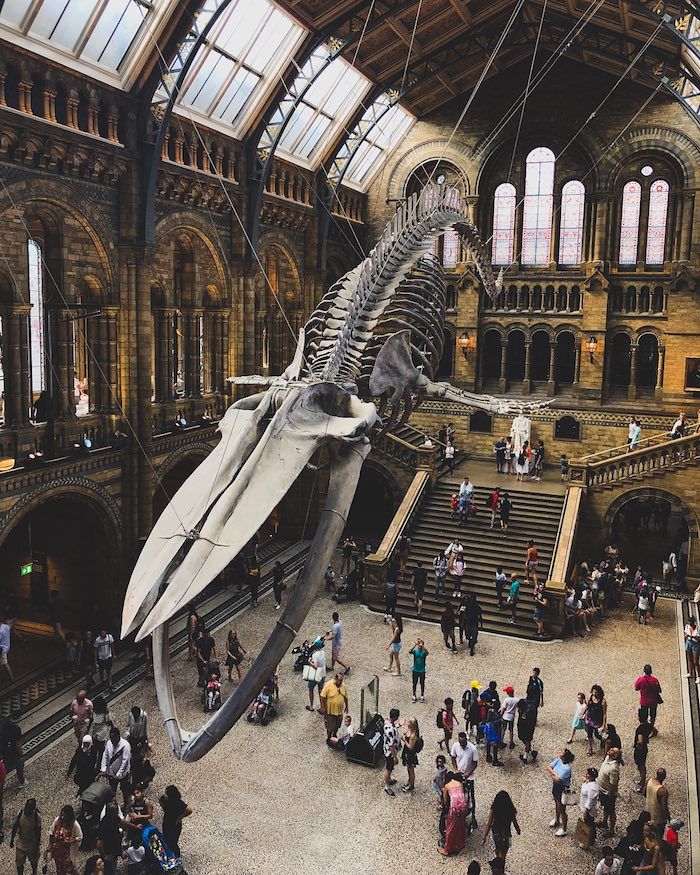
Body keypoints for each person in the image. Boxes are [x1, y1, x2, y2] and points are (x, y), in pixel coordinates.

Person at [482, 790, 520, 866]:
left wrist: (484, 836)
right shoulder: (510, 809)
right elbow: (514, 821)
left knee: (498, 847)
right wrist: (518, 830)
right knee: (504, 852)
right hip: (506, 833)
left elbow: (489, 824)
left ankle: (498, 862)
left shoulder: (494, 809)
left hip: (496, 832)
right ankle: (501, 866)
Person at [46, 805, 82, 875]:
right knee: (59, 868)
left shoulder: (74, 824)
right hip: (57, 851)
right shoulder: (57, 821)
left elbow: (80, 837)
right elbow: (51, 833)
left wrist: (70, 840)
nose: (62, 817)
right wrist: (49, 846)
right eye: (62, 815)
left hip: (67, 853)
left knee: (70, 869)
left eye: (65, 816)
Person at [547, 748, 575, 837]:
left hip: (562, 789)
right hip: (556, 787)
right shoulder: (559, 760)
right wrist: (555, 774)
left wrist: (553, 774)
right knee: (557, 804)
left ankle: (564, 828)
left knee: (562, 809)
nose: (560, 752)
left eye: (562, 752)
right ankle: (557, 820)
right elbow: (549, 767)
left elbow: (559, 780)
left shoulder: (567, 769)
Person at [10, 797, 41, 875]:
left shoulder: (37, 817)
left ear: (33, 809)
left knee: (33, 862)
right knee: (19, 864)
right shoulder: (20, 813)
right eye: (26, 807)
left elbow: (38, 833)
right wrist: (12, 840)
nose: (27, 810)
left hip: (32, 845)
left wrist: (37, 847)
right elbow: (15, 826)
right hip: (21, 844)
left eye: (29, 809)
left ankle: (34, 872)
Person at [439, 771, 468, 855]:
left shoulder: (447, 786)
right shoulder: (459, 783)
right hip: (464, 806)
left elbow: (445, 802)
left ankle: (447, 849)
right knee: (461, 826)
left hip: (455, 808)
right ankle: (459, 844)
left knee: (451, 828)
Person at [99, 727, 131, 803]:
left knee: (125, 791)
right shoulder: (109, 743)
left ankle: (126, 805)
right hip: (112, 772)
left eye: (113, 738)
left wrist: (118, 775)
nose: (112, 740)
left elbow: (125, 761)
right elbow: (105, 755)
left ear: (118, 736)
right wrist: (103, 769)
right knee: (112, 791)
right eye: (111, 738)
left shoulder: (125, 745)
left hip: (123, 774)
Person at [159, 786, 191, 858]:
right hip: (167, 821)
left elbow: (189, 810)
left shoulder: (178, 802)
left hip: (175, 823)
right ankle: (169, 849)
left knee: (173, 841)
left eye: (166, 793)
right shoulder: (164, 799)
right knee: (166, 837)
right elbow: (161, 802)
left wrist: (180, 817)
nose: (164, 794)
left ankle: (176, 854)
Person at [598, 748, 621, 838]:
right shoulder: (607, 757)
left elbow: (613, 784)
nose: (610, 749)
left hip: (608, 793)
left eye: (612, 751)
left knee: (611, 811)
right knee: (605, 808)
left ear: (615, 756)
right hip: (602, 790)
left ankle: (611, 830)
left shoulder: (614, 768)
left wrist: (610, 795)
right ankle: (604, 822)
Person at [319, 673, 348, 744]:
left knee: (338, 725)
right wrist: (323, 707)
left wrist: (347, 706)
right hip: (330, 711)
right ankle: (328, 738)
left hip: (339, 711)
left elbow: (345, 697)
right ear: (335, 679)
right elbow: (322, 696)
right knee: (330, 727)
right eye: (340, 680)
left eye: (342, 680)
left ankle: (334, 735)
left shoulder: (343, 686)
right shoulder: (328, 685)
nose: (341, 682)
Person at [634, 664, 662, 736]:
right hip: (653, 701)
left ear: (644, 671)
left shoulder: (641, 679)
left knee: (644, 717)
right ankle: (652, 729)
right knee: (653, 716)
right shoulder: (655, 680)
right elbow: (659, 690)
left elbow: (636, 688)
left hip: (644, 702)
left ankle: (649, 729)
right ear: (651, 671)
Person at [0, 712, 26, 788]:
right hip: (14, 752)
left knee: (6, 767)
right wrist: (21, 754)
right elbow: (18, 744)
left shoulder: (3, 725)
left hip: (4, 751)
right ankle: (22, 782)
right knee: (19, 767)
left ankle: (3, 783)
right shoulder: (16, 730)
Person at [96, 803, 122, 875]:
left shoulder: (114, 819)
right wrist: (105, 857)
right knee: (110, 870)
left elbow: (122, 821)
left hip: (115, 850)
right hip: (109, 853)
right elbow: (99, 844)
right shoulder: (104, 825)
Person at [578, 766, 600, 849]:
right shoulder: (590, 782)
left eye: (588, 774)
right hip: (585, 808)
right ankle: (590, 839)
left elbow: (590, 802)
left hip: (589, 811)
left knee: (589, 825)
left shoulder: (593, 788)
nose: (586, 774)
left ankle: (588, 842)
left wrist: (586, 812)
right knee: (589, 824)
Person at [383, 708, 401, 796]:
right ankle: (386, 786)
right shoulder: (390, 730)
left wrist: (398, 725)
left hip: (387, 749)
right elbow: (391, 745)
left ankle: (389, 780)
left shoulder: (387, 722)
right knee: (389, 769)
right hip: (389, 753)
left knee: (390, 767)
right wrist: (395, 757)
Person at [585, 684, 608, 755]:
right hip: (590, 719)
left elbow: (604, 713)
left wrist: (604, 724)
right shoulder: (590, 697)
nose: (594, 693)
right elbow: (587, 706)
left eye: (596, 692)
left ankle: (602, 740)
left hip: (598, 720)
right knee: (589, 734)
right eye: (593, 692)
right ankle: (590, 748)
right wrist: (583, 714)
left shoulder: (603, 701)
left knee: (597, 735)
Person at [645, 768, 670, 832]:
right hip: (659, 819)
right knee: (658, 836)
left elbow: (644, 793)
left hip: (649, 814)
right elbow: (664, 808)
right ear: (664, 776)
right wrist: (669, 818)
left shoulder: (650, 780)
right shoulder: (662, 791)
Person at [401, 717, 421, 793]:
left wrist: (404, 740)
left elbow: (411, 747)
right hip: (406, 752)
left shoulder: (413, 735)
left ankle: (411, 785)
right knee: (408, 768)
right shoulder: (410, 730)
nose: (407, 723)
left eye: (409, 722)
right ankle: (409, 781)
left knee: (411, 769)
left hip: (410, 754)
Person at [305, 640, 326, 712]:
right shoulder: (323, 652)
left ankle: (311, 706)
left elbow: (315, 666)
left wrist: (310, 661)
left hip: (315, 675)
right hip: (322, 673)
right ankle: (322, 707)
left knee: (311, 689)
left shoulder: (314, 655)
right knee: (321, 691)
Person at [90, 697, 111, 765]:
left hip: (102, 729)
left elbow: (108, 722)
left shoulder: (105, 713)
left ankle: (99, 763)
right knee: (94, 746)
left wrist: (112, 729)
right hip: (95, 728)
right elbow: (91, 720)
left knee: (101, 747)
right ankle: (93, 761)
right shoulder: (94, 711)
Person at [499, 686, 519, 750]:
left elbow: (503, 709)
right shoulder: (516, 700)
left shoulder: (506, 700)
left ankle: (501, 741)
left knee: (503, 729)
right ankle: (511, 742)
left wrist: (500, 715)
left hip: (505, 716)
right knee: (511, 730)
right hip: (512, 716)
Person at [409, 639, 428, 703]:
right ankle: (414, 695)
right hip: (415, 669)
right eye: (419, 645)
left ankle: (422, 695)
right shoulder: (415, 651)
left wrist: (423, 646)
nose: (419, 646)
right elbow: (409, 651)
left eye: (421, 645)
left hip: (422, 670)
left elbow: (427, 652)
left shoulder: (424, 652)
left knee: (422, 683)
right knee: (414, 683)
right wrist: (414, 645)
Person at [0, 614, 13, 681]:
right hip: (7, 646)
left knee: (5, 663)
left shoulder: (0, 631)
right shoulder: (6, 626)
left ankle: (11, 676)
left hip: (1, 649)